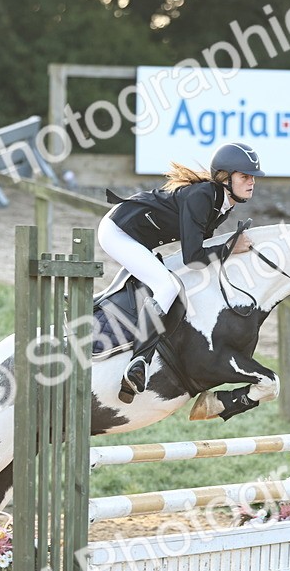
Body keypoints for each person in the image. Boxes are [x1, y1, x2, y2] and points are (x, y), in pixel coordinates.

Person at [99, 142, 264, 401]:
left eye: (252, 177)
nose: (251, 182)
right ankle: (139, 362)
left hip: (138, 236)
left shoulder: (222, 203)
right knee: (167, 286)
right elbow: (194, 258)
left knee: (170, 282)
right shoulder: (203, 197)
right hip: (118, 231)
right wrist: (231, 247)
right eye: (245, 176)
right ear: (225, 178)